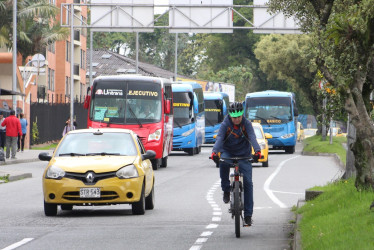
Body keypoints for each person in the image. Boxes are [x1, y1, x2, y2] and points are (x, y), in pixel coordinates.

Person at [211, 102, 261, 226]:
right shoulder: (225, 124)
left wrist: (258, 151)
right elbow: (220, 138)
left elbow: (253, 138)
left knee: (248, 182)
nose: (237, 120)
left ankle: (248, 215)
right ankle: (226, 189)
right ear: (230, 116)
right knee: (223, 164)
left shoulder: (247, 124)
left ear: (242, 115)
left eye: (239, 117)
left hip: (244, 154)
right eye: (234, 117)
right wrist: (215, 152)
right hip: (228, 152)